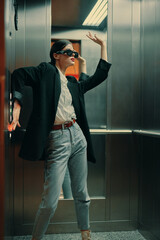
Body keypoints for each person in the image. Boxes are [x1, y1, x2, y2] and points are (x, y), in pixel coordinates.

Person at [11, 32, 112, 240]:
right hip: (56, 139)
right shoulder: (46, 71)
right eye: (69, 53)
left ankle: (86, 234)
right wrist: (17, 105)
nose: (73, 56)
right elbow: (18, 75)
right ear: (56, 55)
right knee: (50, 201)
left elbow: (99, 76)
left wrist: (103, 44)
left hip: (77, 136)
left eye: (75, 53)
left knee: (82, 192)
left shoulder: (72, 84)